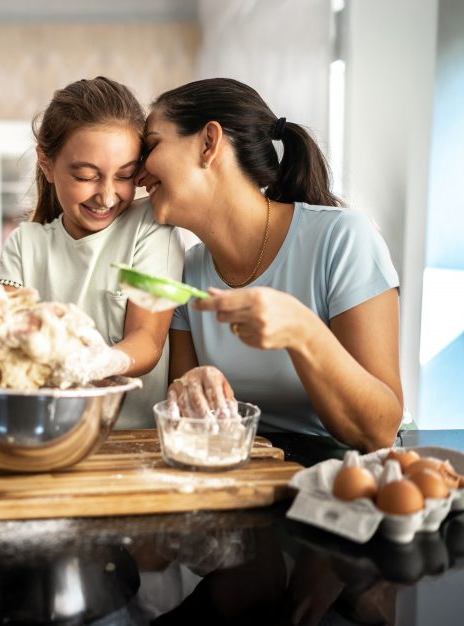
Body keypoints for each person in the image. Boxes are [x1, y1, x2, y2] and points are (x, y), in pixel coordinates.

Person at [137, 78, 402, 452]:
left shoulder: (343, 239)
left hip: (336, 480)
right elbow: (190, 417)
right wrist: (187, 390)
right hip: (242, 472)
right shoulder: (188, 270)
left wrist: (302, 332)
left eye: (151, 146)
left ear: (209, 143)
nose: (138, 173)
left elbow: (379, 431)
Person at [0, 76, 185, 428]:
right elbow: (7, 353)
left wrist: (101, 361)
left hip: (132, 444)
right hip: (47, 435)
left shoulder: (150, 226)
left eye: (124, 176)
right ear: (47, 164)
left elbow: (148, 340)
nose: (107, 196)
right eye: (86, 176)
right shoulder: (25, 244)